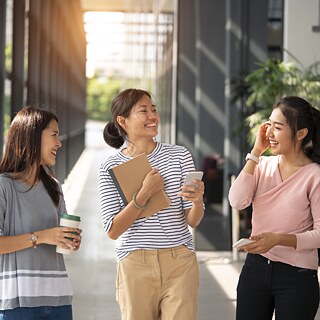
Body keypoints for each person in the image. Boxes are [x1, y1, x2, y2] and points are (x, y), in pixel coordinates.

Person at [99, 88, 205, 320]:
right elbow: (113, 230)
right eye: (143, 111)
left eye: (154, 110)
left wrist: (198, 202)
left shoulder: (179, 155)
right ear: (122, 121)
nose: (152, 116)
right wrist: (144, 193)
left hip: (180, 262)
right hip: (135, 262)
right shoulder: (110, 166)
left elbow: (192, 220)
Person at [228, 96, 320, 320]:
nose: (269, 132)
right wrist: (256, 152)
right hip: (255, 269)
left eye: (278, 127)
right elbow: (237, 201)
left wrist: (278, 239)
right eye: (269, 124)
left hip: (296, 276)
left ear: (301, 134)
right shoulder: (262, 165)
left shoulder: (314, 175)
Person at [0, 106, 82, 320]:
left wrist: (68, 240)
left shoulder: (54, 187)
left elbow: (59, 235)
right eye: (54, 135)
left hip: (58, 300)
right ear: (32, 135)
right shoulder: (3, 186)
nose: (59, 143)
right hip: (17, 305)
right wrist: (42, 236)